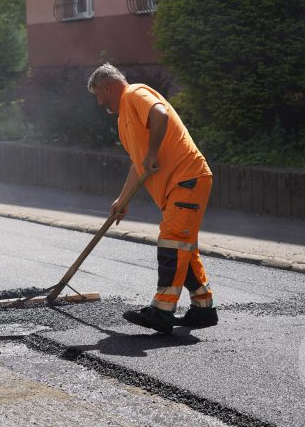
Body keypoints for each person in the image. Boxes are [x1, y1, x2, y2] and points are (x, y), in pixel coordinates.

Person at [87, 63, 218, 334]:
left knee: (171, 242)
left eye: (98, 95)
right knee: (182, 247)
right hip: (178, 186)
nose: (100, 102)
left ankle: (162, 310)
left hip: (188, 179)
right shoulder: (124, 121)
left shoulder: (134, 93)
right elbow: (139, 165)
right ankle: (203, 309)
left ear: (107, 87)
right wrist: (122, 201)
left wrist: (153, 152)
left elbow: (160, 115)